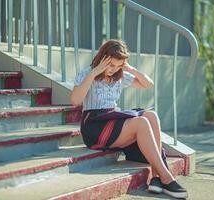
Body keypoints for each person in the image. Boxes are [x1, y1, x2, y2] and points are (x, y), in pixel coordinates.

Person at [70, 39, 188, 199]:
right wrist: (94, 72)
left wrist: (130, 68)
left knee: (151, 115)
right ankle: (167, 178)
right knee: (141, 122)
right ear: (102, 58)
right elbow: (75, 100)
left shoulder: (119, 75)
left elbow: (148, 84)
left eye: (118, 66)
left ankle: (155, 177)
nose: (113, 69)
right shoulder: (87, 73)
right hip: (94, 126)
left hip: (112, 118)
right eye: (111, 65)